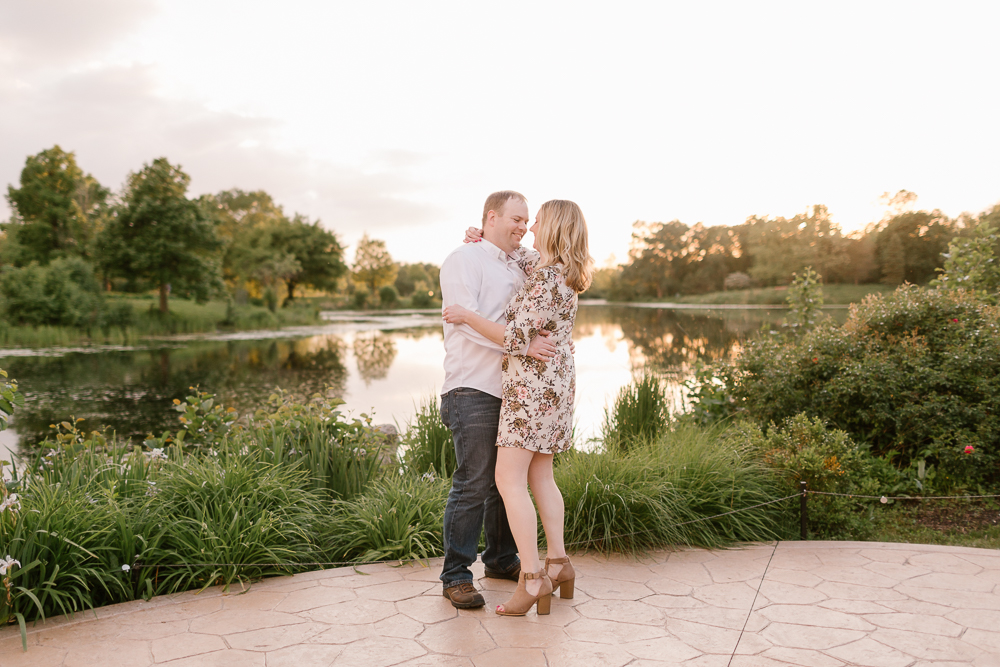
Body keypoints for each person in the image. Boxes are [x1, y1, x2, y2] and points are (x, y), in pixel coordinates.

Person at [443, 199, 594, 616]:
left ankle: (532, 578)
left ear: (554, 228)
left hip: (532, 387)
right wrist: (480, 234)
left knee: (508, 480)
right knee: (541, 475)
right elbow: (518, 253)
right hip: (556, 385)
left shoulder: (545, 278)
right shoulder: (560, 269)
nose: (529, 228)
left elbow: (514, 335)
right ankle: (559, 563)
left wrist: (467, 317)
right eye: (522, 221)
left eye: (537, 221)